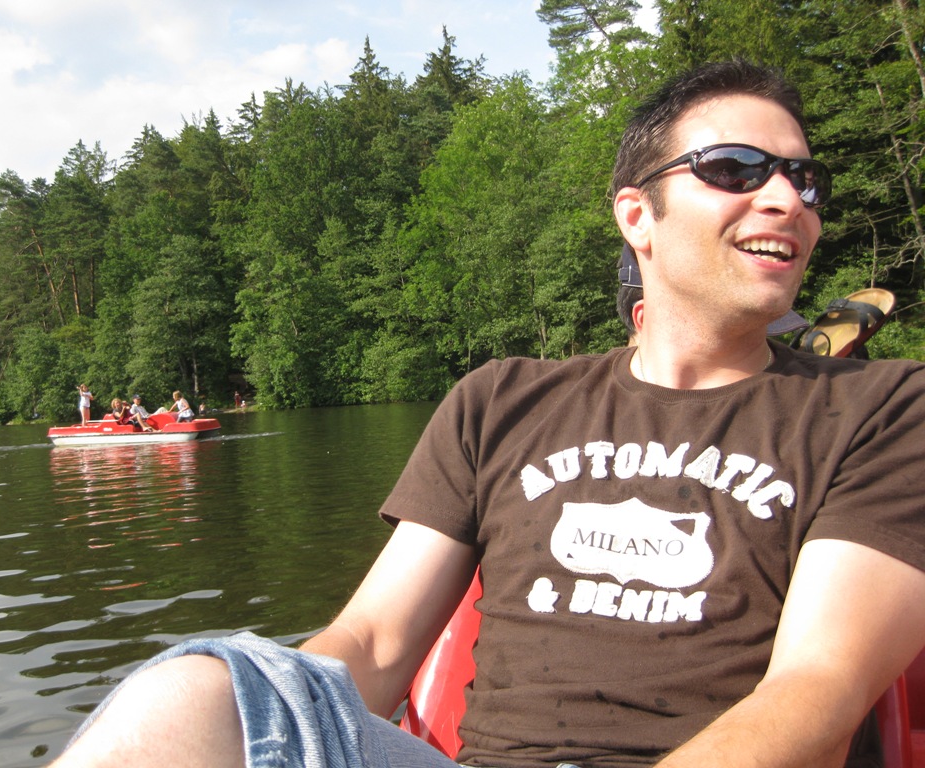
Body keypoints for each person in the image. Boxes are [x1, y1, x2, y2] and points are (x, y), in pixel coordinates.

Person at [51, 61, 925, 768]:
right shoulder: (502, 399)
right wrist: (260, 721)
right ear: (637, 216)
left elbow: (817, 692)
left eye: (805, 179)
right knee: (193, 694)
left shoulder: (884, 408)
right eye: (735, 169)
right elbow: (375, 642)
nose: (786, 199)